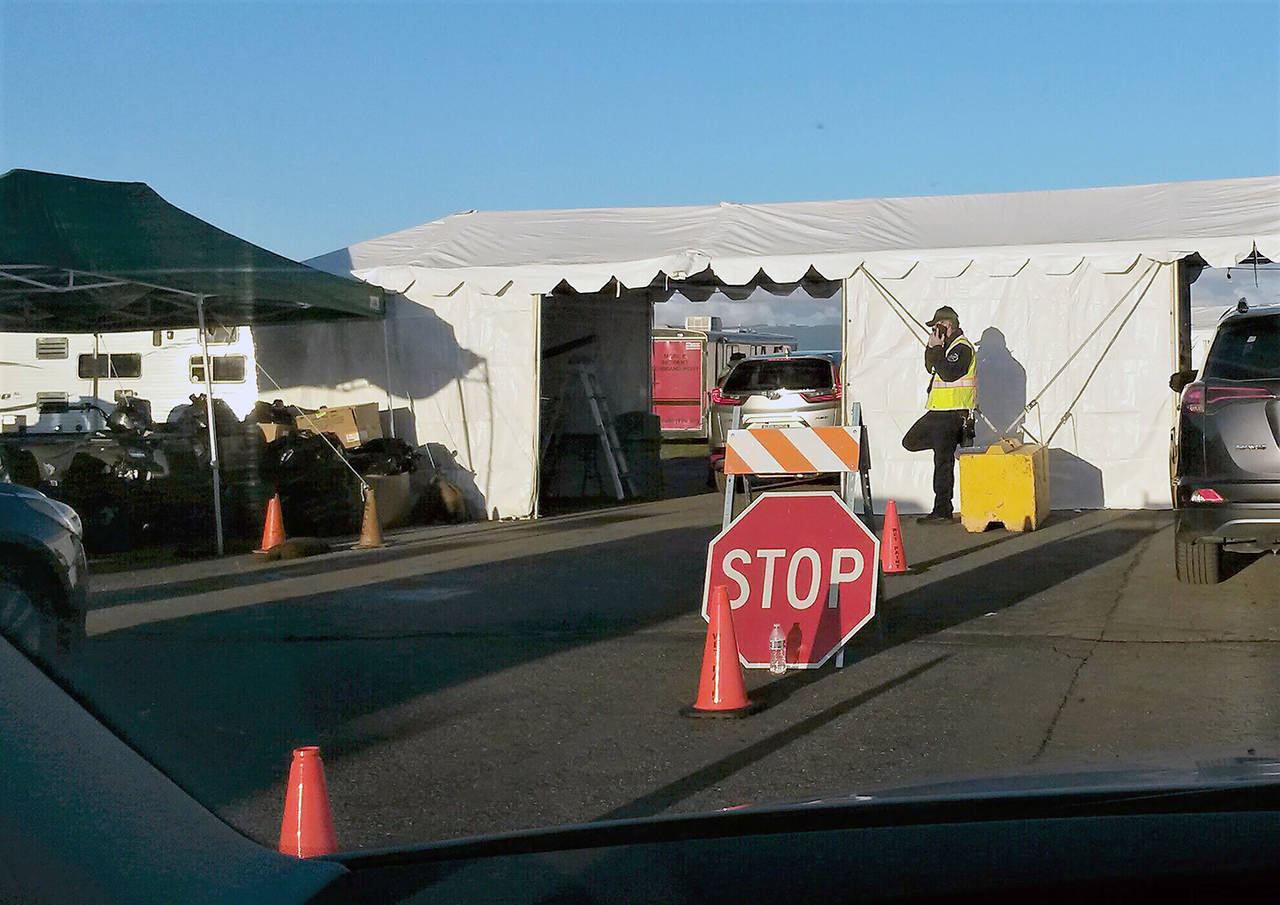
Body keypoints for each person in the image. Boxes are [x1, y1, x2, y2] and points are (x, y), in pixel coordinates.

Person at [902, 306, 977, 523]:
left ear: (947, 325)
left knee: (943, 463)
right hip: (938, 412)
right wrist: (931, 348)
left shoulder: (961, 348)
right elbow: (930, 367)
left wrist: (937, 350)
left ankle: (942, 510)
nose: (934, 330)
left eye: (937, 326)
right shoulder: (946, 347)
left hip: (951, 414)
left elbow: (948, 372)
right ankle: (942, 508)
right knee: (910, 441)